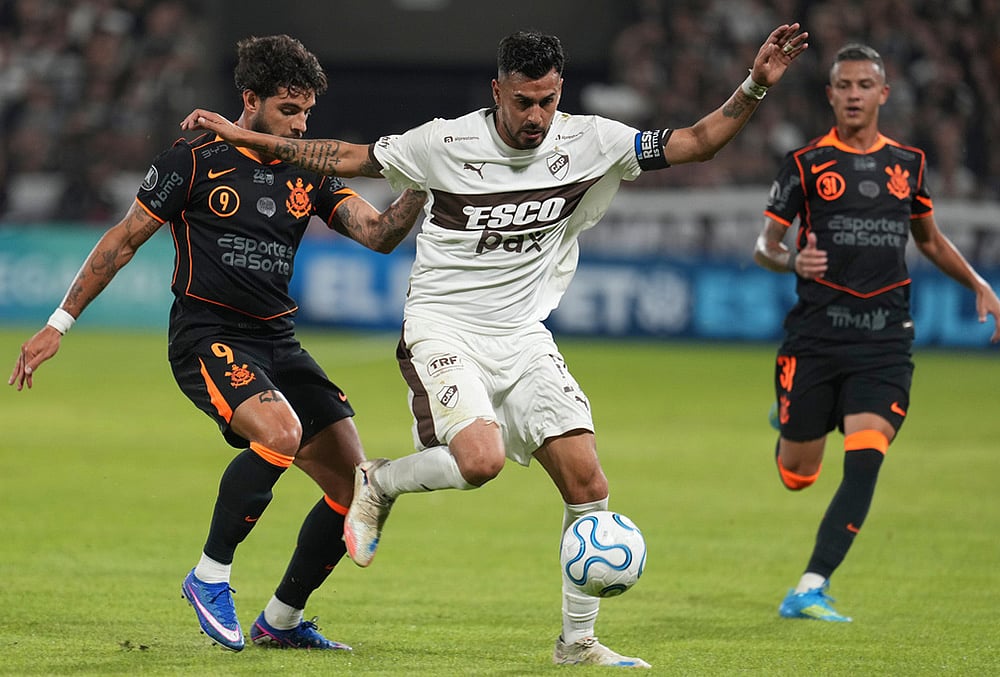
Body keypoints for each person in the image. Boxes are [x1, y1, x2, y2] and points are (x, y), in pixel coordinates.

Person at [181, 25, 808, 667]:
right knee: (478, 462)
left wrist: (755, 84)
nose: (537, 115)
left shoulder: (591, 141)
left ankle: (578, 642)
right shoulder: (444, 143)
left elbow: (698, 142)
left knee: (589, 482)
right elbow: (343, 156)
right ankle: (381, 482)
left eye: (548, 100)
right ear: (497, 92)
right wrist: (244, 136)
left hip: (523, 335)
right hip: (443, 327)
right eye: (523, 101)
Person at [8, 34, 426, 652]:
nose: (300, 124)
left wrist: (424, 180)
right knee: (279, 435)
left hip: (277, 339)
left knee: (352, 488)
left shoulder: (305, 168)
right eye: (288, 111)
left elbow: (378, 233)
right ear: (249, 100)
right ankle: (210, 576)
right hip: (208, 335)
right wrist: (59, 322)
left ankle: (279, 621)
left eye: (307, 112)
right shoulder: (194, 158)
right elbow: (123, 241)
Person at [753, 43, 1000, 622]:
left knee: (865, 458)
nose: (855, 94)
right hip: (815, 338)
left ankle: (809, 586)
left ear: (883, 94)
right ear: (831, 94)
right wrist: (791, 261)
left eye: (866, 84)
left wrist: (979, 284)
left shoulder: (908, 164)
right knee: (797, 476)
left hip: (885, 339)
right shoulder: (805, 164)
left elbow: (930, 240)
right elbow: (765, 247)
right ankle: (789, 418)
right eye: (845, 85)